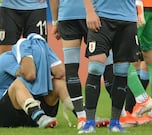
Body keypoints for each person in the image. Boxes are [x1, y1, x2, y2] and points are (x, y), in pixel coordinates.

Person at [49, 0, 114, 129]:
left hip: (67, 15)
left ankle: (81, 117)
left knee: (71, 67)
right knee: (108, 64)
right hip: (95, 14)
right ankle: (120, 113)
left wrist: (55, 21)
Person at [79, 0, 141, 133]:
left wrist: (139, 9)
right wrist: (90, 12)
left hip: (127, 20)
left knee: (122, 71)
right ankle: (89, 123)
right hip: (101, 18)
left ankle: (115, 123)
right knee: (95, 67)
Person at [0, 33, 74, 128]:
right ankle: (39, 117)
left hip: (33, 109)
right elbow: (29, 75)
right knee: (18, 83)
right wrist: (26, 53)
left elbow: (60, 73)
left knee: (58, 83)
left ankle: (82, 115)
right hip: (6, 115)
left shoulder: (41, 55)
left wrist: (47, 51)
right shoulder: (6, 58)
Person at [120, 0, 152, 127]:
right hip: (148, 8)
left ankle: (142, 99)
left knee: (121, 54)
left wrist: (138, 7)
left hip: (135, 8)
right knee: (149, 56)